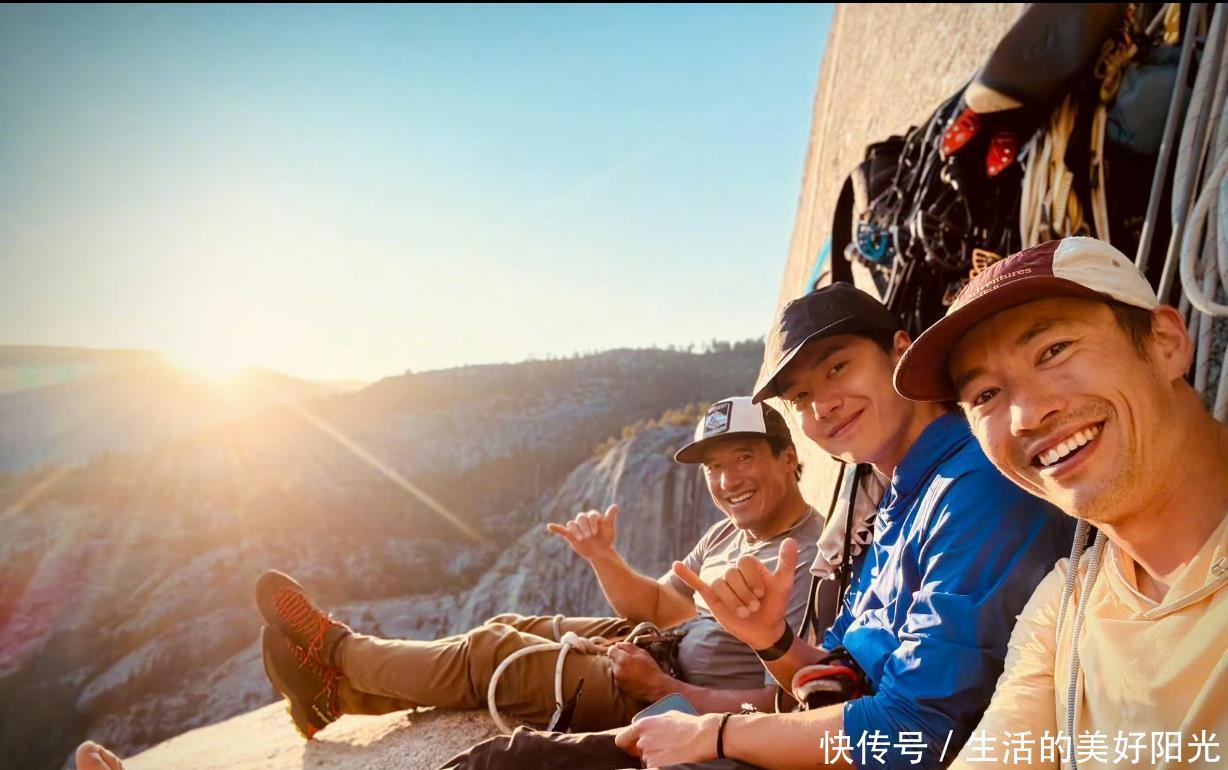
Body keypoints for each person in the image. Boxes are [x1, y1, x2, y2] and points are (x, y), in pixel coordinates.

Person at [443, 283, 1073, 770]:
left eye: (837, 367)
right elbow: (833, 677)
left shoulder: (973, 487)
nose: (822, 405)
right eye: (800, 398)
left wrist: (717, 733)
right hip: (815, 738)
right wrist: (772, 640)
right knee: (511, 756)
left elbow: (913, 735)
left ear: (900, 351)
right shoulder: (897, 498)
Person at [253, 396, 824, 740]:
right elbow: (654, 606)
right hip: (661, 647)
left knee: (492, 654)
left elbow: (792, 704)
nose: (727, 481)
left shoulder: (809, 560)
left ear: (788, 458)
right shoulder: (729, 532)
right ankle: (338, 699)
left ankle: (336, 650)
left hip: (671, 697)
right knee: (512, 625)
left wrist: (663, 687)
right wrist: (604, 559)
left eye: (744, 457)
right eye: (714, 467)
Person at [891, 236, 1228, 769]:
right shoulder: (1066, 603)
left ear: (1165, 343)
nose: (1025, 416)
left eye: (1053, 350)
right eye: (985, 396)